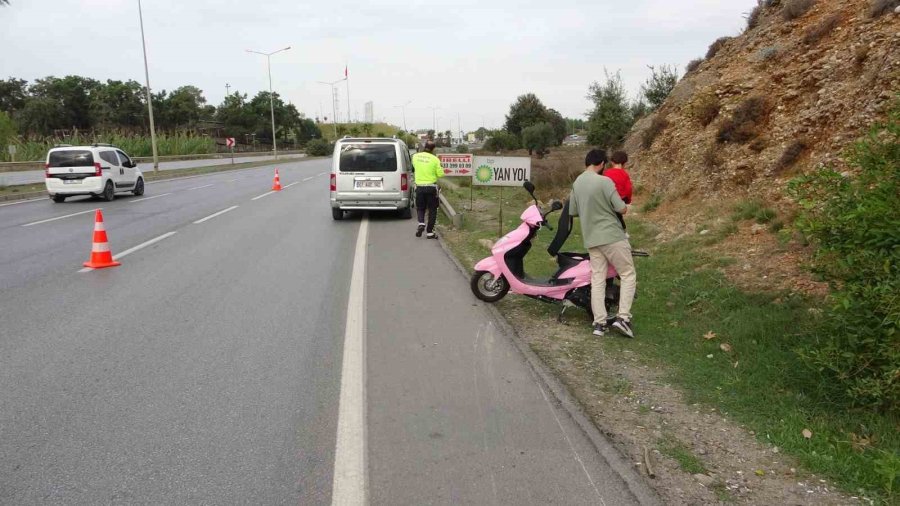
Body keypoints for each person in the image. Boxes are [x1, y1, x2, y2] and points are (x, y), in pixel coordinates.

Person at [569, 149, 637, 338]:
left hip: (591, 238)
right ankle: (623, 318)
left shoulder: (577, 182)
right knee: (627, 273)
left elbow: (573, 210)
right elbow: (621, 208)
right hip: (611, 235)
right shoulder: (604, 181)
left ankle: (599, 323)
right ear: (601, 164)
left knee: (597, 279)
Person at [411, 140, 444, 239]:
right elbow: (440, 174)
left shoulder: (415, 157)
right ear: (433, 149)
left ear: (424, 146)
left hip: (419, 187)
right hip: (431, 188)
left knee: (420, 208)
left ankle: (421, 223)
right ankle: (430, 233)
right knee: (432, 210)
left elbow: (413, 168)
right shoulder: (435, 159)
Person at [603, 150, 634, 232]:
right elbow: (628, 189)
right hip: (621, 199)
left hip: (608, 199)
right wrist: (628, 200)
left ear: (612, 162)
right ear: (624, 163)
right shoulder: (624, 174)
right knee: (618, 217)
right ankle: (623, 231)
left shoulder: (606, 173)